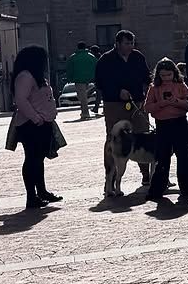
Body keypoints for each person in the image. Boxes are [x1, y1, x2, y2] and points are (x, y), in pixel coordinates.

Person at [94, 30, 152, 184]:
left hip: (137, 103)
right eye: (127, 43)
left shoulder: (138, 57)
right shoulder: (106, 60)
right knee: (114, 138)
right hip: (114, 104)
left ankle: (146, 174)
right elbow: (100, 83)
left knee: (142, 135)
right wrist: (117, 91)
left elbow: (147, 77)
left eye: (132, 43)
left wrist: (150, 89)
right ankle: (111, 177)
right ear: (118, 43)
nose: (130, 46)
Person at [11, 45, 60, 209]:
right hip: (31, 125)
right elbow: (21, 100)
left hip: (43, 123)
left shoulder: (37, 76)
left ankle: (42, 191)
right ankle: (31, 196)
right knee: (32, 159)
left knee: (39, 159)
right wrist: (36, 118)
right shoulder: (25, 77)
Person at [144, 58, 188, 200]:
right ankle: (156, 189)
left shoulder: (181, 85)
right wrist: (161, 104)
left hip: (179, 123)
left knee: (185, 156)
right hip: (162, 125)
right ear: (158, 75)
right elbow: (147, 107)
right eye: (163, 75)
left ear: (174, 73)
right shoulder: (154, 87)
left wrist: (177, 102)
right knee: (162, 158)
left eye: (169, 75)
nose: (166, 78)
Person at [65, 41, 97, 121]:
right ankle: (84, 111)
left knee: (82, 96)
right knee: (83, 95)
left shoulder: (73, 57)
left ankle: (85, 112)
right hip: (89, 79)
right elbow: (96, 66)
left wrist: (69, 78)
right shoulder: (91, 56)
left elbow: (69, 69)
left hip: (78, 79)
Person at [89, 45, 103, 115]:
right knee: (99, 94)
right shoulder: (100, 57)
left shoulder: (96, 58)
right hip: (101, 79)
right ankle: (96, 108)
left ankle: (96, 108)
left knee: (99, 94)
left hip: (100, 79)